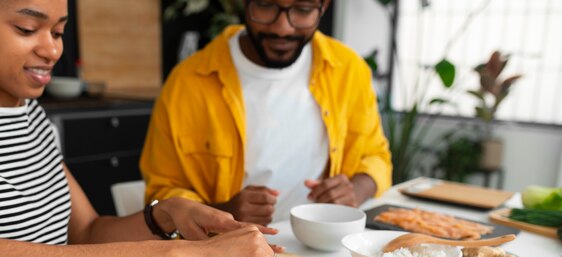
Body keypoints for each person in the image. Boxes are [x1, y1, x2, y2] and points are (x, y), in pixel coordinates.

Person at [0, 0, 288, 257]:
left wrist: (165, 215)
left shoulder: (30, 115)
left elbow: (87, 233)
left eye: (58, 31)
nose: (52, 49)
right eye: (27, 29)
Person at [140, 0, 392, 226]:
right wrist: (223, 213)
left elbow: (377, 156)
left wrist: (355, 190)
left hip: (323, 246)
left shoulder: (348, 70)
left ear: (323, 7)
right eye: (266, 5)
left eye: (303, 10)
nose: (282, 28)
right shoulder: (187, 82)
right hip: (223, 250)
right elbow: (163, 191)